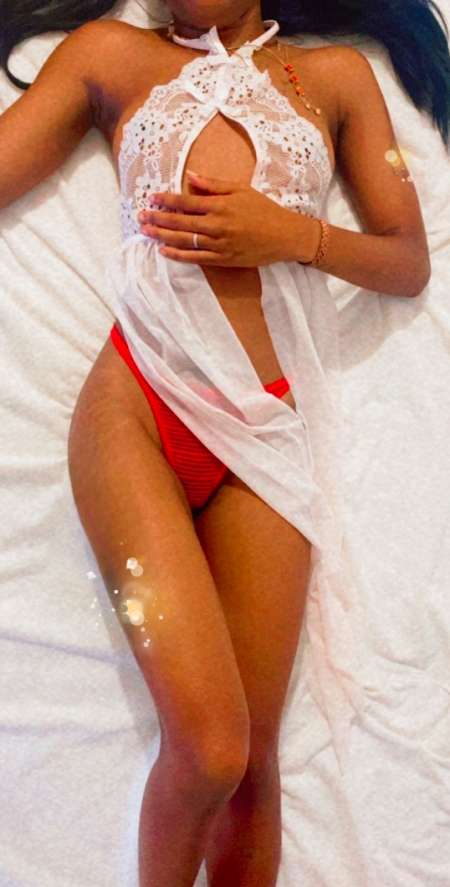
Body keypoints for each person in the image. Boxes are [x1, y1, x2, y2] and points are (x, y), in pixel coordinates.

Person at [0, 1, 448, 885]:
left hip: (264, 433)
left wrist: (298, 237)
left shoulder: (337, 78)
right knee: (209, 748)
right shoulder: (110, 54)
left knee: (251, 771)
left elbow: (407, 261)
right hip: (136, 409)